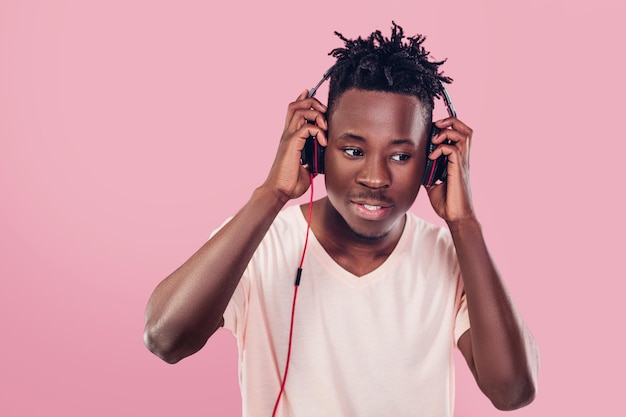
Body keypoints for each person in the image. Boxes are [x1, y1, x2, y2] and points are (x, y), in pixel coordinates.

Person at [143, 22, 539, 417]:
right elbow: (165, 338)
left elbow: (512, 391)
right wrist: (271, 194)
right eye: (353, 150)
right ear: (317, 148)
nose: (375, 178)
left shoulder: (452, 259)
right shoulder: (258, 244)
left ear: (431, 164)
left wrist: (464, 223)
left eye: (401, 156)